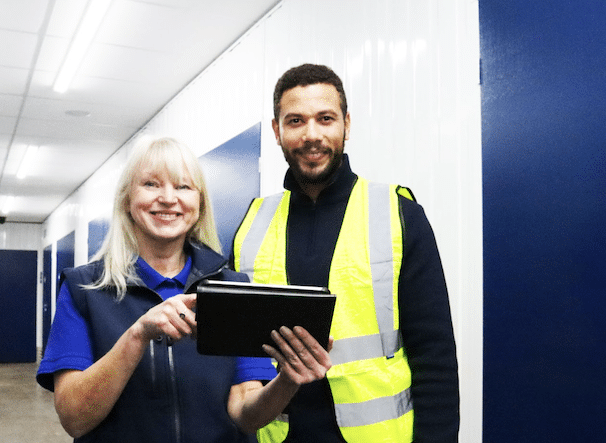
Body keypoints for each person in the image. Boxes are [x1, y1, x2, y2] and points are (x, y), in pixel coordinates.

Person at [37, 137, 334, 443]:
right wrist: (137, 335)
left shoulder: (232, 289)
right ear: (126, 199)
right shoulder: (84, 290)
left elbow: (246, 416)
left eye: (183, 187)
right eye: (151, 184)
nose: (168, 198)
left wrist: (287, 380)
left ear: (200, 202)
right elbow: (74, 419)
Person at [231, 64, 460, 443]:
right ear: (277, 131)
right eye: (295, 121)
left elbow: (434, 359)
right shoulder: (253, 223)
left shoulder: (398, 213)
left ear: (346, 125)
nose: (312, 135)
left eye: (325, 119)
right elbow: (239, 358)